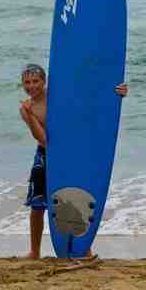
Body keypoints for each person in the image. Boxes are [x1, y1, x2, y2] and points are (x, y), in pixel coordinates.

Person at [18, 63, 128, 259]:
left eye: (36, 81)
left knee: (75, 198)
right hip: (45, 155)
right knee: (37, 205)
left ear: (44, 82)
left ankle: (83, 246)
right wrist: (30, 116)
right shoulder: (26, 108)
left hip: (71, 155)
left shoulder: (59, 95)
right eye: (27, 82)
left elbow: (88, 94)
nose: (31, 86)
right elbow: (43, 139)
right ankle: (34, 250)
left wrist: (116, 92)